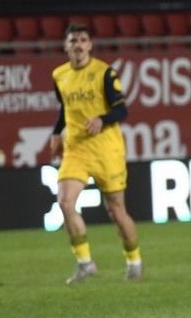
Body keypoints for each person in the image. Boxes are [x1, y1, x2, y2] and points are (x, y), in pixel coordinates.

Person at [50, 24, 143, 284]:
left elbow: (122, 109)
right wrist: (56, 133)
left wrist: (102, 119)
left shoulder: (104, 73)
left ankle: (134, 261)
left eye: (82, 40)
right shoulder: (59, 75)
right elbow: (64, 108)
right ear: (66, 46)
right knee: (65, 203)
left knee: (116, 211)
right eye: (73, 40)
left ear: (90, 45)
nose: (78, 45)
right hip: (76, 149)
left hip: (106, 150)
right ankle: (85, 263)